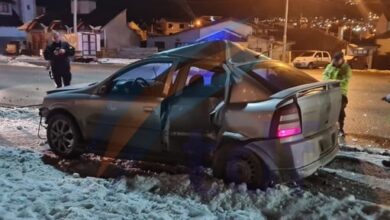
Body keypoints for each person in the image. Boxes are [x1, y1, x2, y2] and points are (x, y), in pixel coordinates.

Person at [323, 51, 352, 137]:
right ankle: (328, 127)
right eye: (334, 60)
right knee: (328, 110)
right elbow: (325, 75)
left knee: (340, 110)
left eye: (337, 60)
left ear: (342, 59)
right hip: (329, 91)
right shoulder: (330, 66)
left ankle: (341, 128)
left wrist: (335, 83)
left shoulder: (346, 68)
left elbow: (345, 80)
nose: (335, 62)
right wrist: (328, 81)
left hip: (340, 92)